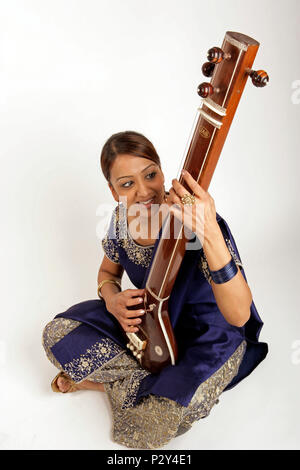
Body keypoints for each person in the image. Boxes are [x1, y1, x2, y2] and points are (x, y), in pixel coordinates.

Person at [42, 130, 268, 449]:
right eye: (127, 183)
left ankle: (106, 385)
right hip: (151, 328)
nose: (144, 190)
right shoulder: (121, 219)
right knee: (58, 334)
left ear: (162, 170)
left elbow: (239, 315)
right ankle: (147, 386)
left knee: (150, 428)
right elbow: (107, 273)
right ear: (112, 189)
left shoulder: (193, 220)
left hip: (209, 338)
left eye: (150, 175)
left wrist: (210, 232)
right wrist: (112, 300)